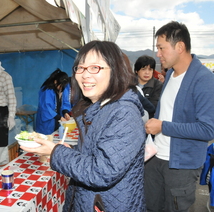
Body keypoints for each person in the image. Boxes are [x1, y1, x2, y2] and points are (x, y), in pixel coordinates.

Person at [21, 41, 146, 211]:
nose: (85, 75)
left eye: (95, 67)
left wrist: (55, 152)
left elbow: (101, 172)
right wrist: (69, 152)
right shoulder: (98, 107)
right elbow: (95, 154)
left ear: (115, 71)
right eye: (80, 67)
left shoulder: (124, 113)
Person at [144, 21, 214, 212]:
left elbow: (208, 129)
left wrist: (163, 126)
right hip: (155, 158)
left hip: (181, 166)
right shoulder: (169, 76)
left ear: (180, 46)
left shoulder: (204, 79)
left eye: (161, 48)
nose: (158, 54)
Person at [35, 68, 71, 135]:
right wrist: (59, 117)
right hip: (47, 123)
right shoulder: (46, 90)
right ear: (55, 82)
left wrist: (65, 112)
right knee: (47, 139)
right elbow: (46, 108)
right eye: (61, 86)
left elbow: (66, 101)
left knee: (58, 138)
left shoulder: (64, 87)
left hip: (58, 121)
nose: (62, 88)